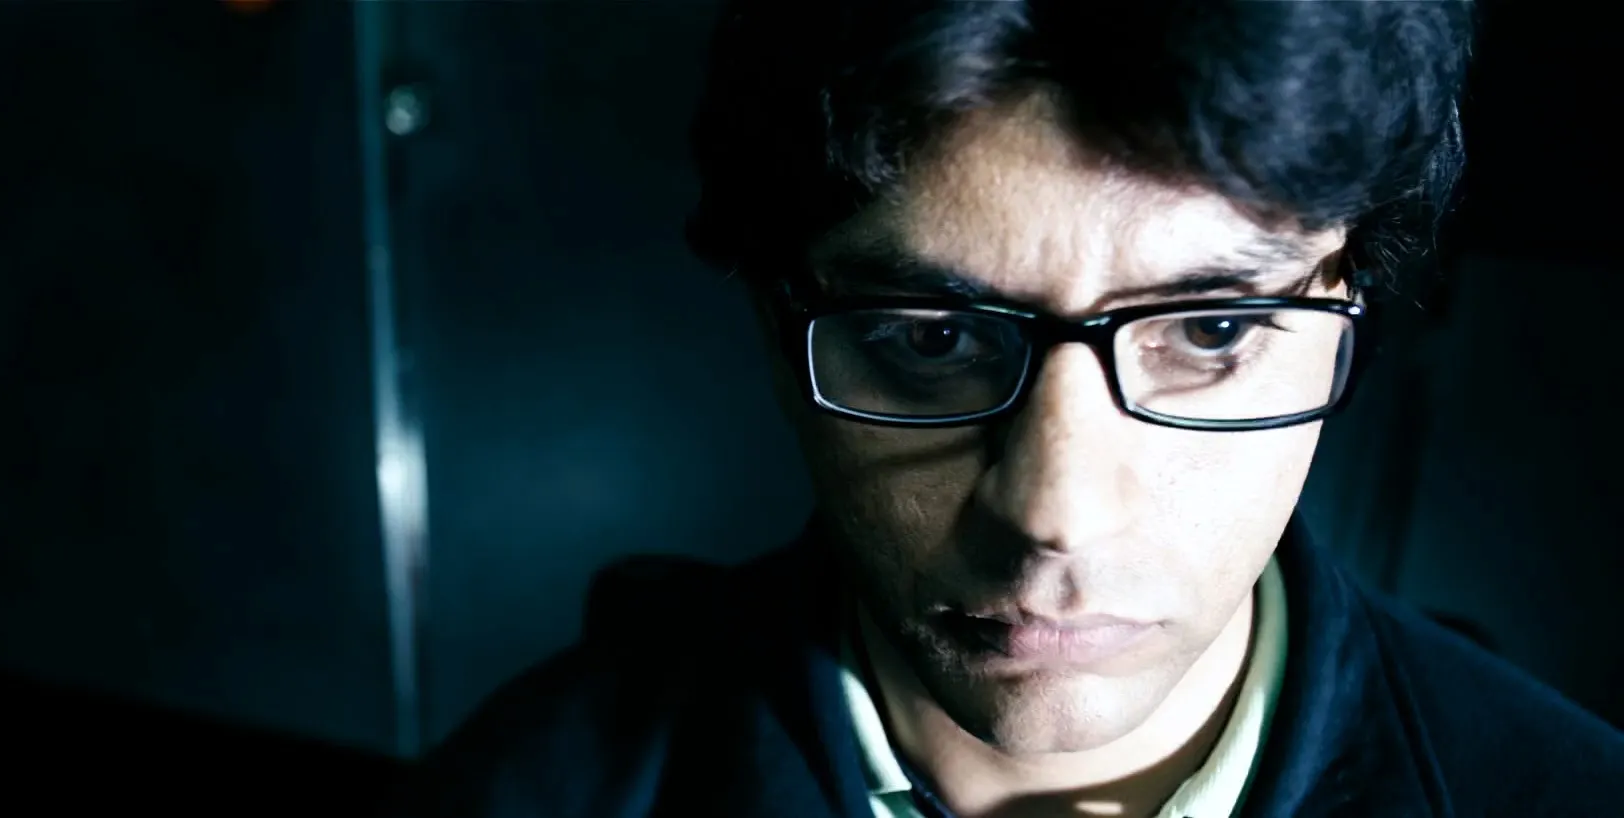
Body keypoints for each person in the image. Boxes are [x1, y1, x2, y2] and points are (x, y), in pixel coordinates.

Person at [389, 2, 1624, 816]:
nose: (1055, 511)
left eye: (1212, 329)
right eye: (931, 337)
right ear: (775, 326)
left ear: (1351, 299)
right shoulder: (521, 791)